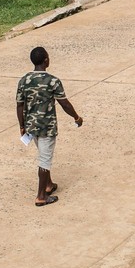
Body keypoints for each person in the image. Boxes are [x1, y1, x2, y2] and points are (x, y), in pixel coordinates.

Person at [16, 47, 83, 207]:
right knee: (45, 160)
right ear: (46, 60)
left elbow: (19, 105)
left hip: (31, 126)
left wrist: (22, 126)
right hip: (47, 127)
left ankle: (48, 185)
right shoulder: (53, 81)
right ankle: (41, 197)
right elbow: (64, 103)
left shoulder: (24, 80)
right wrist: (76, 117)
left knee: (43, 153)